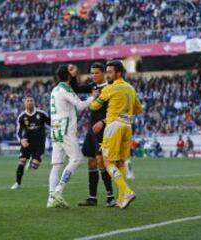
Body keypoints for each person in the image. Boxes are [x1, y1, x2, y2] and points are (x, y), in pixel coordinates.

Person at [90, 60, 144, 209]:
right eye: (106, 72)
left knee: (107, 162)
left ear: (118, 73)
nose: (107, 75)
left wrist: (95, 97)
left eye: (110, 72)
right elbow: (139, 109)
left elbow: (94, 105)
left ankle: (126, 191)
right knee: (120, 161)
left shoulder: (110, 88)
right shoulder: (131, 89)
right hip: (127, 126)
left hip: (113, 126)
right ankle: (122, 199)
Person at [47, 64, 98, 208]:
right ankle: (58, 190)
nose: (75, 69)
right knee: (77, 159)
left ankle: (51, 199)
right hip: (65, 129)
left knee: (57, 164)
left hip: (56, 129)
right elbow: (80, 105)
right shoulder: (65, 88)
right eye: (71, 69)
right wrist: (92, 97)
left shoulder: (55, 89)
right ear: (68, 75)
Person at [78, 62, 115, 207]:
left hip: (104, 130)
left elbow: (115, 111)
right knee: (91, 161)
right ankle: (92, 198)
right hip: (91, 130)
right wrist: (72, 75)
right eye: (92, 73)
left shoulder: (110, 88)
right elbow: (75, 88)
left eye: (97, 73)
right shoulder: (92, 87)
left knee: (101, 161)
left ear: (104, 73)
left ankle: (110, 196)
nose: (94, 76)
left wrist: (103, 122)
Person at [11, 96, 50, 190]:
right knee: (21, 162)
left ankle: (33, 159)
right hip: (27, 142)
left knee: (35, 166)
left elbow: (52, 124)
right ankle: (17, 183)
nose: (29, 102)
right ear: (25, 103)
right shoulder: (21, 117)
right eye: (27, 101)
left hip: (39, 142)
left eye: (31, 100)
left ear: (34, 102)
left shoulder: (41, 114)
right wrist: (21, 140)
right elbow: (18, 132)